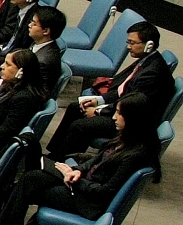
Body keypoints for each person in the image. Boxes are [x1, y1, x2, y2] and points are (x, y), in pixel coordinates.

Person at [0, 93, 160, 225]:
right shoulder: (124, 139)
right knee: (33, 177)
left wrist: (77, 180)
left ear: (134, 119)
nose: (113, 117)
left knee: (28, 182)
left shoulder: (135, 154)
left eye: (120, 113)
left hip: (87, 202)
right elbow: (95, 161)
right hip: (83, 185)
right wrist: (77, 171)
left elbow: (105, 192)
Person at [46, 21, 172, 158]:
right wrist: (98, 100)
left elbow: (131, 104)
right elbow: (123, 90)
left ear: (149, 45)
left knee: (80, 126)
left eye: (132, 43)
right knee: (74, 108)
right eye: (127, 42)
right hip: (124, 108)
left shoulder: (152, 73)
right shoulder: (146, 60)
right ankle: (55, 153)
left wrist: (98, 111)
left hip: (132, 122)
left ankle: (63, 161)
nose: (128, 47)